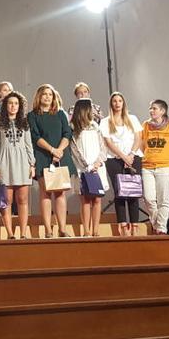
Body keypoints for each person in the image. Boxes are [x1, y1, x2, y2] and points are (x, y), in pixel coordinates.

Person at [28, 84, 74, 238]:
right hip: (43, 156)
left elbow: (67, 133)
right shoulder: (33, 115)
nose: (47, 97)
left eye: (50, 94)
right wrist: (52, 150)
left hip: (60, 156)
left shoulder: (60, 113)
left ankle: (62, 229)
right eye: (44, 94)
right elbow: (35, 137)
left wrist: (59, 150)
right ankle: (48, 229)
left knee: (60, 193)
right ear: (39, 97)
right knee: (45, 193)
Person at [0, 91, 35, 239]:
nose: (13, 106)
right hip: (5, 162)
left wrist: (32, 164)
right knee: (7, 201)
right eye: (10, 103)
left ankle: (23, 233)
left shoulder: (24, 123)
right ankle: (10, 233)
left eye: (16, 103)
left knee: (23, 200)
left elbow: (29, 145)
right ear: (6, 105)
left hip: (23, 162)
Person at [100, 92, 143, 236]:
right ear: (111, 104)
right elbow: (108, 142)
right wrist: (123, 157)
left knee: (133, 192)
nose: (117, 103)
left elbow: (138, 138)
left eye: (120, 101)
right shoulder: (105, 121)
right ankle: (123, 226)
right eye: (114, 101)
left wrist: (130, 154)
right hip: (114, 159)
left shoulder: (132, 118)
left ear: (123, 103)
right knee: (120, 192)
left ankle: (135, 227)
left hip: (133, 157)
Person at [141, 99, 169, 235]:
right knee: (149, 198)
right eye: (150, 108)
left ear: (162, 111)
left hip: (165, 166)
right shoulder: (146, 125)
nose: (151, 111)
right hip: (147, 166)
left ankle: (161, 229)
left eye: (154, 108)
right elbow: (142, 144)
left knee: (164, 199)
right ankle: (156, 223)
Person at [70, 99, 109, 237]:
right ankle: (86, 230)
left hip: (97, 167)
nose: (92, 111)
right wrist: (87, 165)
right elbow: (74, 149)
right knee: (85, 199)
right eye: (90, 108)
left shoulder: (95, 126)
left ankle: (96, 230)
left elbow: (103, 147)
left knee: (97, 199)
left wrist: (97, 163)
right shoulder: (74, 128)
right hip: (82, 168)